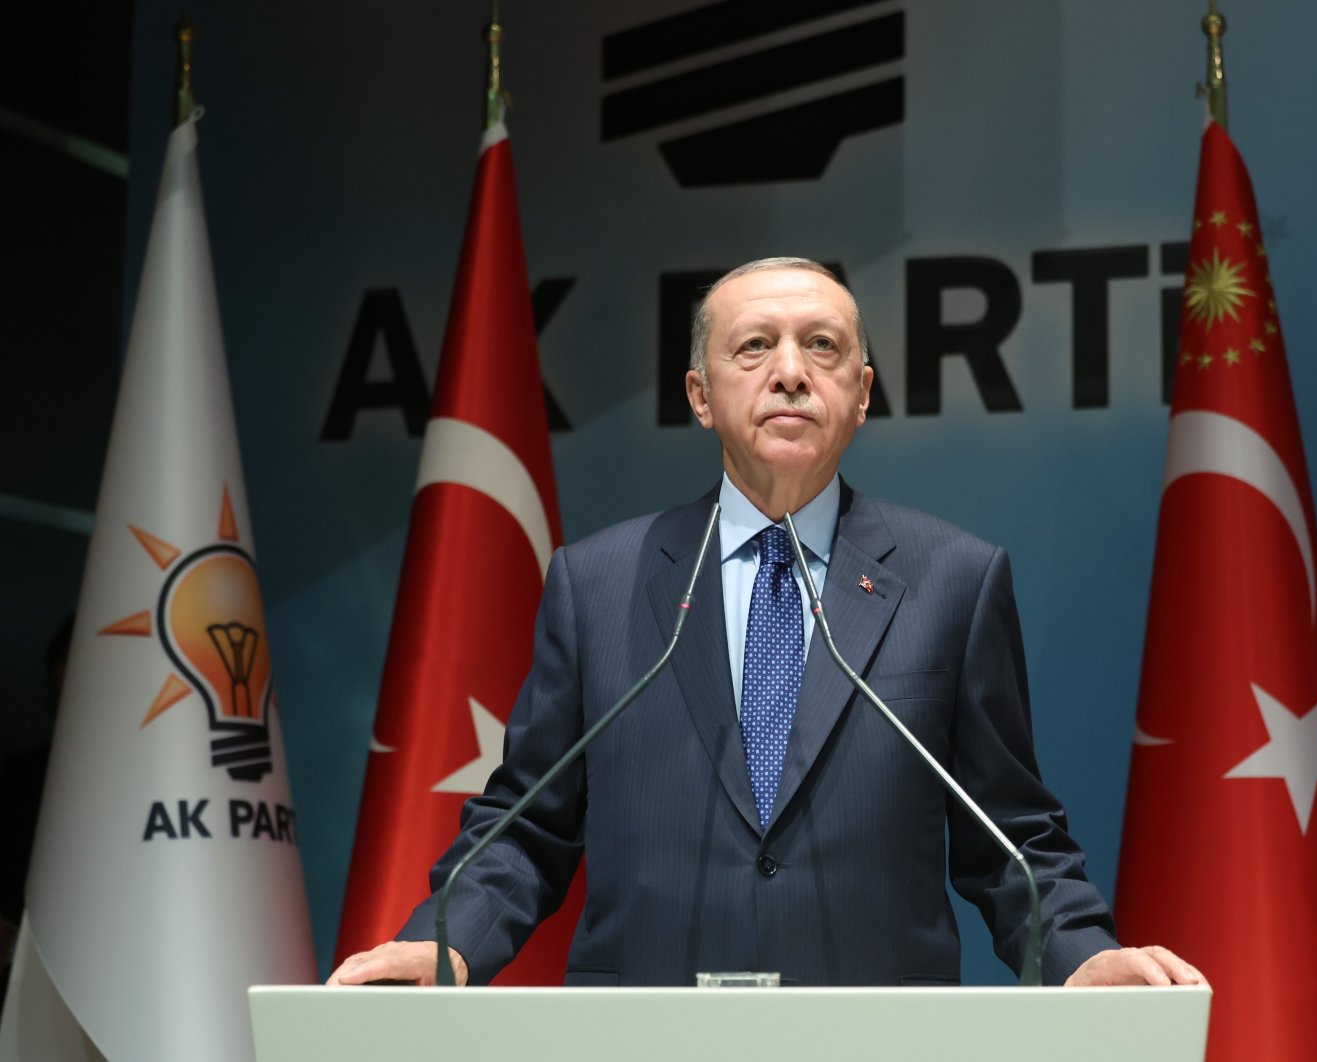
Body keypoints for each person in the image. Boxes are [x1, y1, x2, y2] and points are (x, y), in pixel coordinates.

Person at [330, 257, 1202, 989]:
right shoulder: (597, 583)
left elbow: (1011, 837)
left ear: (861, 395)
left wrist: (1083, 955)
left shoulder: (954, 581)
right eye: (755, 346)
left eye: (822, 347)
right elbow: (527, 824)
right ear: (701, 395)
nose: (790, 370)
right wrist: (448, 943)